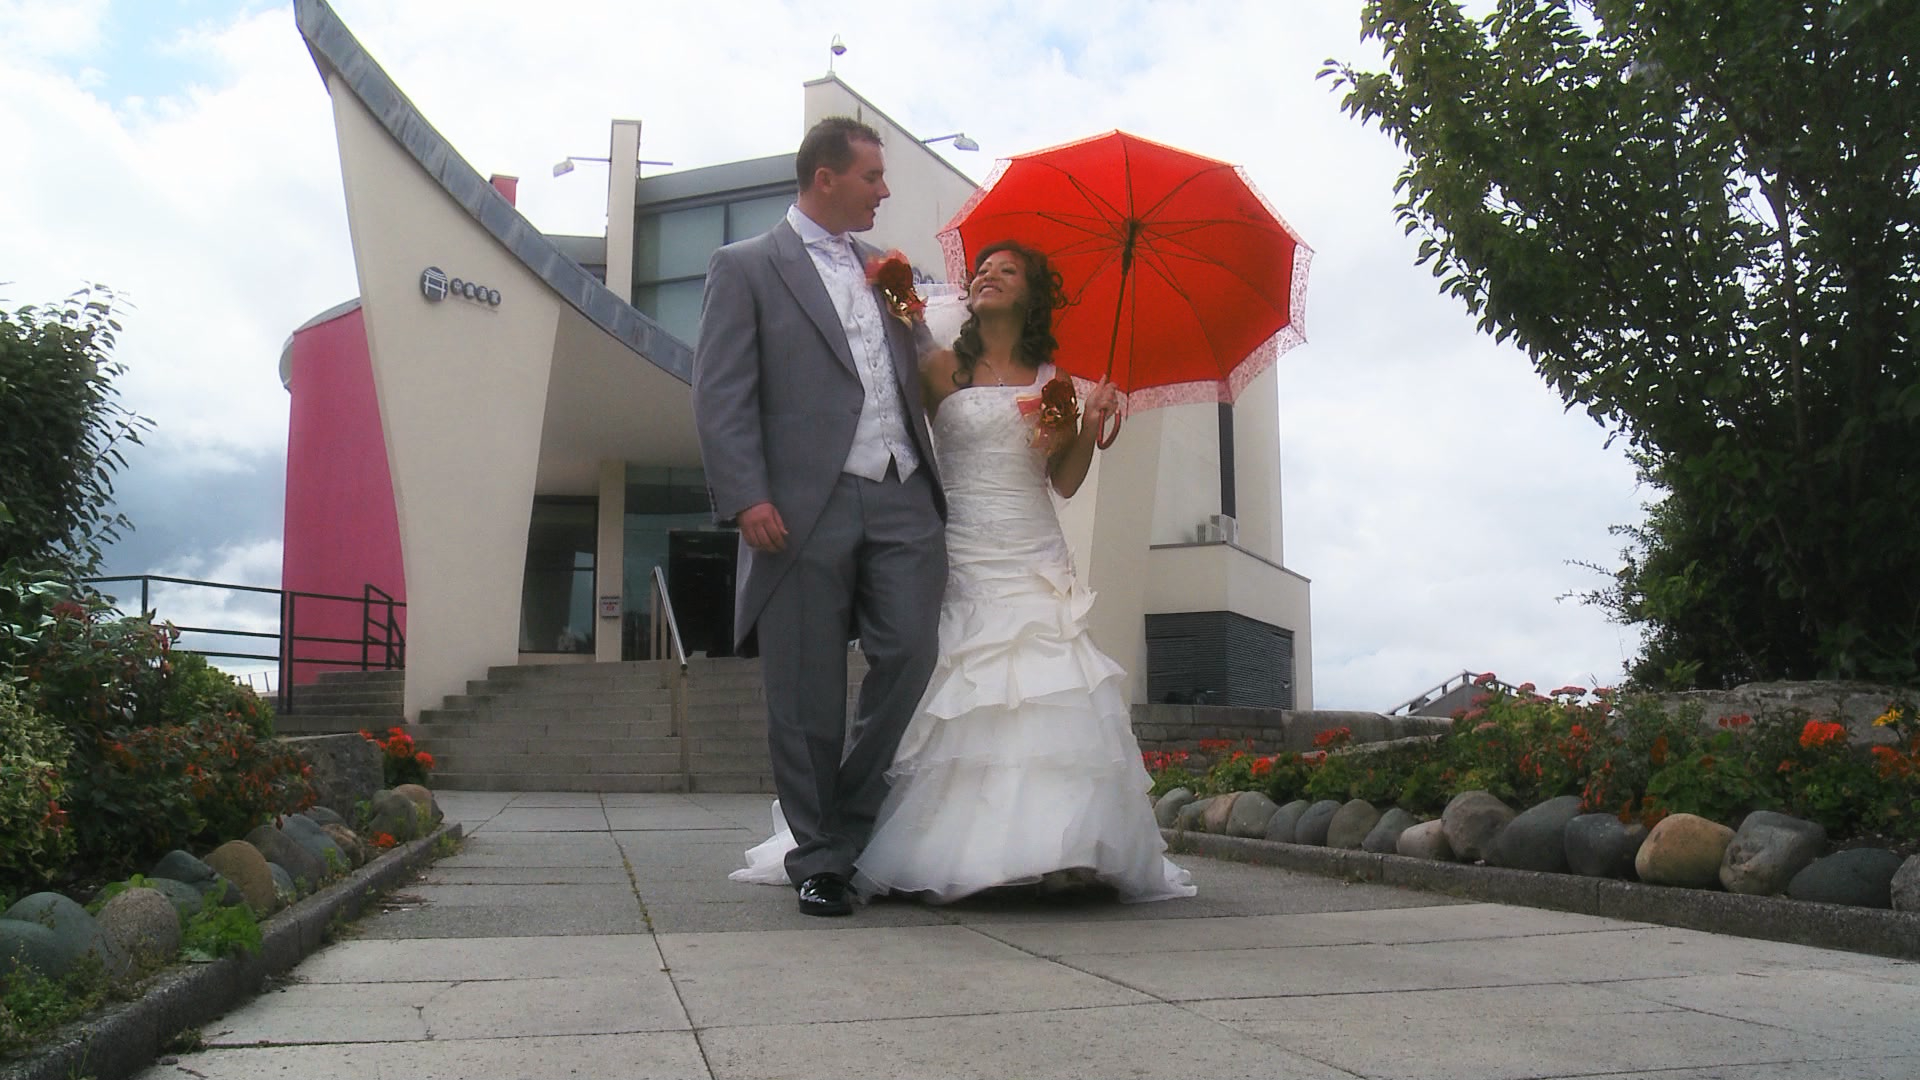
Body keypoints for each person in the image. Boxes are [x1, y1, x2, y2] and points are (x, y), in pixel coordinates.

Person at [732, 241, 1195, 905]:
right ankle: (916, 844)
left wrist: (1088, 426)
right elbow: (892, 428)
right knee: (951, 679)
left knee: (1047, 688)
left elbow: (1062, 482)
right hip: (956, 543)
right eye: (983, 269)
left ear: (1031, 294)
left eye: (1007, 270)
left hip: (1033, 550)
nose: (988, 276)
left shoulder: (1057, 383)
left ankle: (1059, 850)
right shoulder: (940, 368)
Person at [692, 117, 947, 917]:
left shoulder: (888, 271)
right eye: (874, 176)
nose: (886, 190)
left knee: (910, 652)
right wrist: (746, 495)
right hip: (801, 504)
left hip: (904, 490)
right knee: (803, 691)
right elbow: (721, 391)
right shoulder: (744, 267)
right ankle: (820, 858)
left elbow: (926, 377)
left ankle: (847, 823)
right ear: (825, 178)